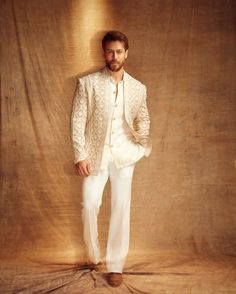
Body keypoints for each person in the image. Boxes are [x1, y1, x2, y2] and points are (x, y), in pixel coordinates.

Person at [71, 30, 151, 287]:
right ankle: (93, 255)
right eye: (109, 51)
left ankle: (116, 265)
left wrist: (140, 138)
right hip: (95, 155)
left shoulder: (139, 88)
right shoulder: (88, 83)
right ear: (103, 52)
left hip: (125, 156)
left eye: (118, 51)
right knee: (89, 204)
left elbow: (144, 118)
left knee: (120, 207)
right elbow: (77, 121)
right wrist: (80, 155)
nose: (114, 56)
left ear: (126, 53)